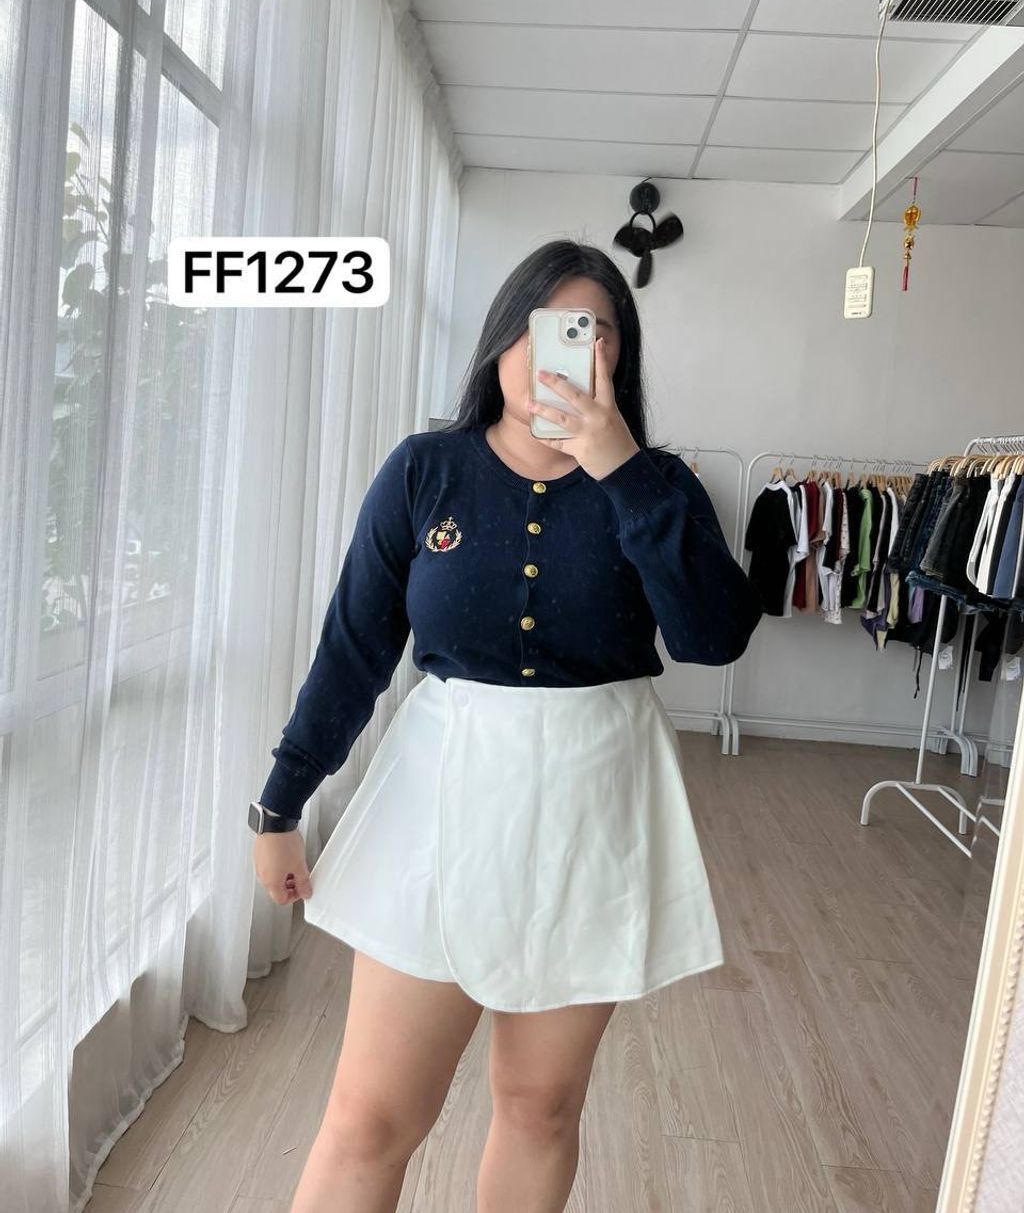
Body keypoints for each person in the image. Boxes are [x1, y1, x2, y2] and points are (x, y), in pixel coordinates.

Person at [251, 239, 763, 1213]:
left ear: (617, 357)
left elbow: (713, 635)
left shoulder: (655, 484)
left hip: (594, 811)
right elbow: (354, 647)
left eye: (591, 331)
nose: (560, 353)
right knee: (369, 1118)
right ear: (501, 340)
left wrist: (618, 469)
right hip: (436, 804)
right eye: (544, 327)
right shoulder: (425, 471)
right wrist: (279, 802)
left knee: (540, 1109)